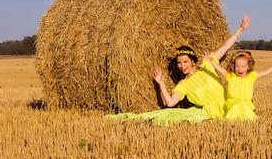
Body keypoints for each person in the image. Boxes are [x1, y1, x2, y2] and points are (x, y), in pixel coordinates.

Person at [104, 13, 251, 125]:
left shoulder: (208, 64)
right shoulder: (183, 84)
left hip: (228, 103)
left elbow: (225, 47)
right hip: (211, 112)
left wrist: (241, 29)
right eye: (179, 63)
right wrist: (161, 83)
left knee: (242, 108)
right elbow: (170, 103)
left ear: (193, 61)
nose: (182, 66)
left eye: (185, 62)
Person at [204, 50, 272, 121]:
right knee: (235, 113)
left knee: (245, 108)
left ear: (248, 67)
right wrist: (211, 60)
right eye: (237, 66)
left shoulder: (251, 77)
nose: (240, 69)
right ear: (234, 66)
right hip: (233, 104)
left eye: (243, 66)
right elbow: (220, 69)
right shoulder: (231, 76)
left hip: (246, 104)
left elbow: (265, 72)